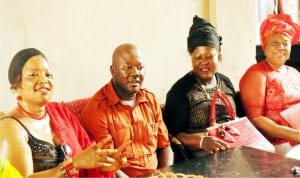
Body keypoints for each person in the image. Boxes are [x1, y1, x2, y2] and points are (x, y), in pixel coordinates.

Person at [0, 48, 129, 178]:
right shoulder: (10, 126)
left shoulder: (60, 113)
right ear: (16, 84)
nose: (43, 80)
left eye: (48, 75)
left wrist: (104, 165)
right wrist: (73, 164)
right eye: (33, 75)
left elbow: (88, 152)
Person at [79, 43, 173, 177]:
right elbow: (108, 166)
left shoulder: (150, 99)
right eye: (128, 67)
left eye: (140, 68)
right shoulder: (97, 110)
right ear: (113, 70)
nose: (135, 73)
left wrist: (166, 174)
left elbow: (165, 146)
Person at [163, 16, 240, 157]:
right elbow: (173, 134)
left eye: (209, 56)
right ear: (190, 56)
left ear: (219, 57)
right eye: (198, 57)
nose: (204, 62)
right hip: (201, 156)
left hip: (234, 148)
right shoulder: (180, 91)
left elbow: (239, 118)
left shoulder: (226, 83)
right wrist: (202, 142)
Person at [239, 14, 300, 157]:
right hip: (279, 144)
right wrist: (296, 135)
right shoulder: (256, 74)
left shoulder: (294, 72)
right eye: (275, 43)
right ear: (265, 47)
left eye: (285, 43)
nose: (281, 47)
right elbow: (257, 119)